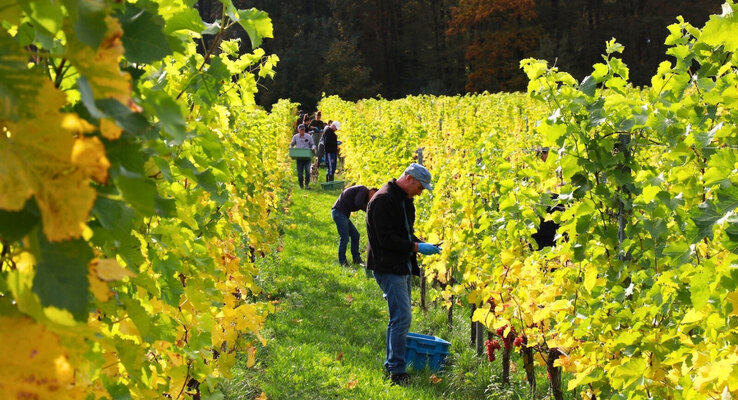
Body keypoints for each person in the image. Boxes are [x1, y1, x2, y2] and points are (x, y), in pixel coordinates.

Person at [365, 163, 441, 386]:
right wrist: (417, 248)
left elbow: (405, 233)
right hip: (387, 266)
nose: (420, 193)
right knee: (402, 318)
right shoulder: (383, 200)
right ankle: (396, 371)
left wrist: (420, 243)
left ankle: (393, 365)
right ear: (408, 178)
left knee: (399, 317)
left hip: (401, 264)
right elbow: (386, 239)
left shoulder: (404, 201)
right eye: (419, 187)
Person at [331, 185, 379, 267]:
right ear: (371, 191)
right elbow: (358, 202)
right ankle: (342, 262)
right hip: (339, 212)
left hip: (342, 214)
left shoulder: (364, 195)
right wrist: (369, 211)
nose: (372, 198)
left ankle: (356, 259)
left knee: (355, 235)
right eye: (373, 195)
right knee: (344, 237)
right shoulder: (364, 190)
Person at [289, 124, 316, 189]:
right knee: (300, 173)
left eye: (303, 130)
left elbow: (313, 144)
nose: (302, 131)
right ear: (298, 130)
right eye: (301, 130)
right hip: (299, 157)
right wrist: (291, 148)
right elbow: (291, 144)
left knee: (307, 171)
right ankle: (301, 185)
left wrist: (313, 148)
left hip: (307, 157)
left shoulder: (308, 136)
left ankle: (307, 185)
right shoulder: (295, 137)